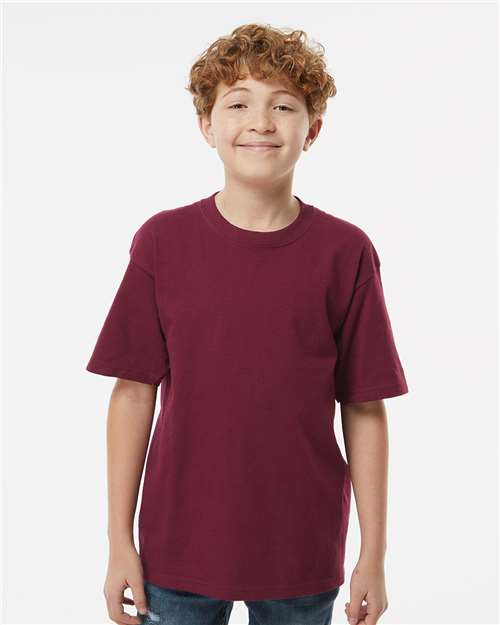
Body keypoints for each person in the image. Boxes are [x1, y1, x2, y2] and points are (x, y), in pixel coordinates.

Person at [86, 23, 409, 625]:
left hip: (300, 547)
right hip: (177, 548)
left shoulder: (346, 253)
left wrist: (374, 555)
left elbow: (365, 407)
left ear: (312, 129)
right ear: (206, 125)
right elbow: (132, 392)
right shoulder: (161, 243)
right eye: (238, 104)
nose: (260, 122)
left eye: (283, 106)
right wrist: (118, 541)